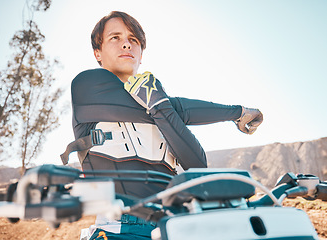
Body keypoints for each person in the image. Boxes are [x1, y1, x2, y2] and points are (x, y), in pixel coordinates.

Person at [62, 11, 263, 240]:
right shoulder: (86, 87)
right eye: (115, 38)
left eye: (133, 40)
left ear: (140, 54)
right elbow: (177, 108)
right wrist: (237, 112)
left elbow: (197, 165)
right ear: (98, 53)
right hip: (118, 230)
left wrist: (161, 107)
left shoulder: (159, 106)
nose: (126, 44)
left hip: (174, 228)